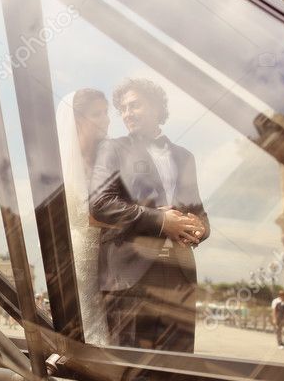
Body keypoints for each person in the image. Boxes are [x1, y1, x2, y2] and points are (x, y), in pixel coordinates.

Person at [90, 78, 209, 351]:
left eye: (135, 105)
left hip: (179, 278)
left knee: (178, 370)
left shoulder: (185, 156)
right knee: (132, 373)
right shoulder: (113, 148)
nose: (127, 113)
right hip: (131, 277)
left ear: (156, 107)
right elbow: (100, 203)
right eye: (123, 108)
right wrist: (160, 220)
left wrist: (200, 228)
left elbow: (199, 211)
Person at [56, 88, 112, 344]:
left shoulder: (110, 156)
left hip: (113, 256)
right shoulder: (61, 166)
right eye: (97, 114)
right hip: (83, 256)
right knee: (90, 323)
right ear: (78, 120)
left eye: (106, 112)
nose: (107, 119)